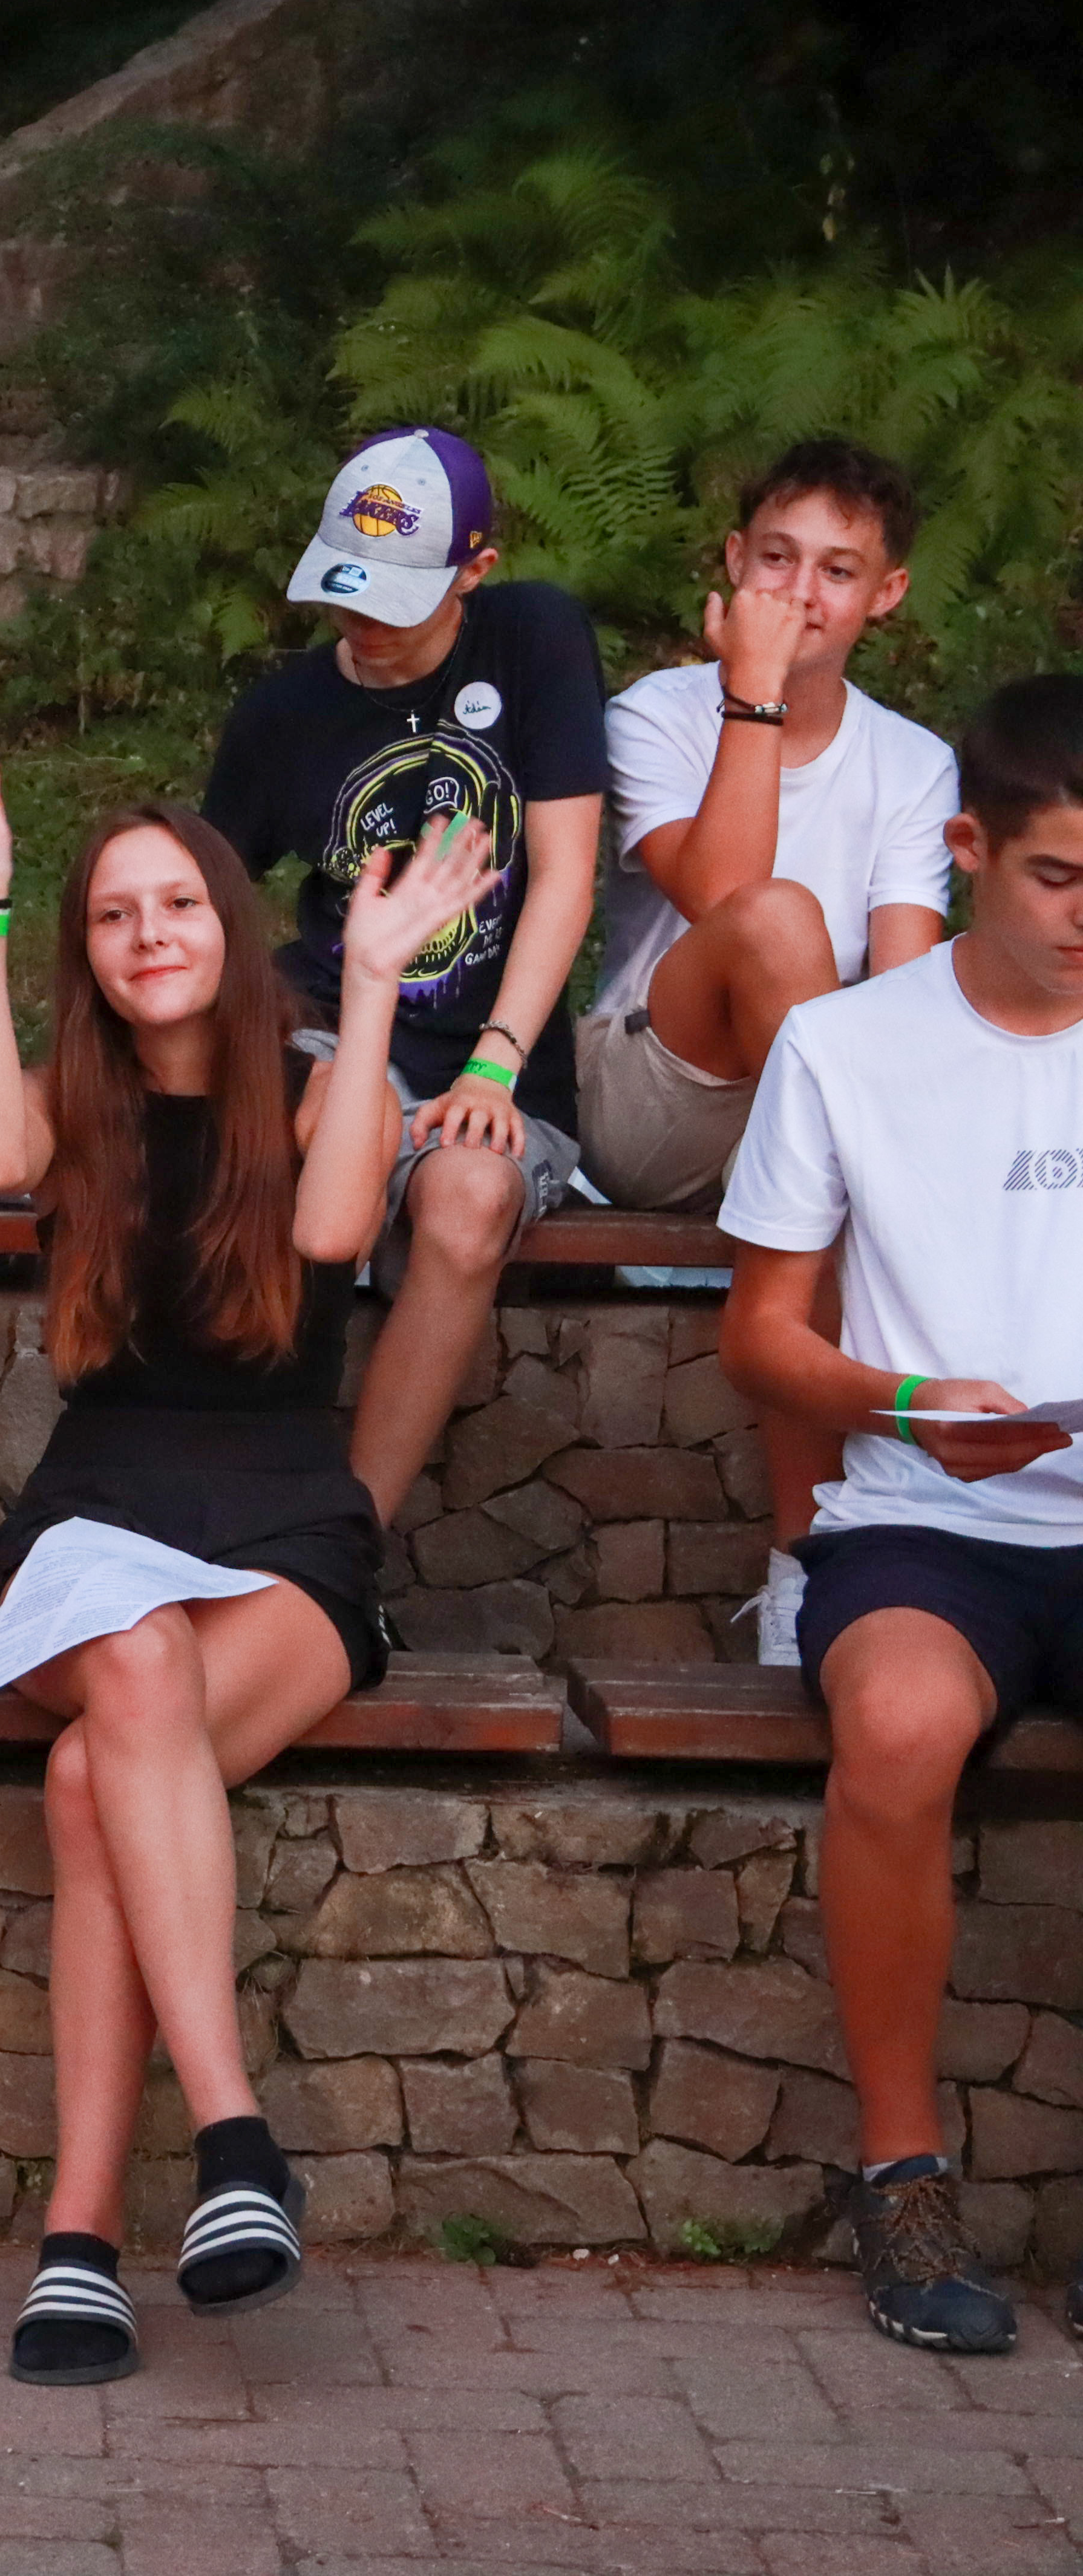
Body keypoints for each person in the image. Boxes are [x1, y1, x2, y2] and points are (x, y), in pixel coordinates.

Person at [0, 804, 491, 2387]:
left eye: (179, 902)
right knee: (129, 1657)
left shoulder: (325, 1082)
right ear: (87, 952)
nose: (150, 935)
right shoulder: (68, 1103)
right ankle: (233, 2136)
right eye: (114, 914)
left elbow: (334, 1227)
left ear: (231, 923)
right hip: (98, 1515)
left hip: (286, 1532)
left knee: (89, 1780)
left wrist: (376, 982)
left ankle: (77, 2239)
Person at [716, 673, 1083, 2358]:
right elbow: (760, 1334)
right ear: (968, 849)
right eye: (1057, 875)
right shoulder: (846, 1041)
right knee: (901, 1725)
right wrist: (915, 1402)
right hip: (923, 1515)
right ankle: (902, 2169)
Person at [585, 441, 954, 1658]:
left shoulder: (914, 765)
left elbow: (905, 996)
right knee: (782, 921)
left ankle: (809, 1569)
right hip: (659, 1097)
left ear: (886, 596)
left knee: (846, 1139)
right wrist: (751, 693)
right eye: (779, 560)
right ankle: (825, 1543)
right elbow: (724, 898)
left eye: (837, 572)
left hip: (816, 1128)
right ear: (734, 563)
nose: (801, 594)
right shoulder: (655, 715)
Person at [203, 425, 607, 1529]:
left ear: (476, 570)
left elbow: (567, 874)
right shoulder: (279, 714)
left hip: (496, 1048)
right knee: (302, 1131)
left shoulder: (534, 639)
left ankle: (350, 1547)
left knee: (470, 1198)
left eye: (395, 599)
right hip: (331, 1024)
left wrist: (496, 1063)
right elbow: (207, 904)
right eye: (346, 592)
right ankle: (231, 1480)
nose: (364, 624)